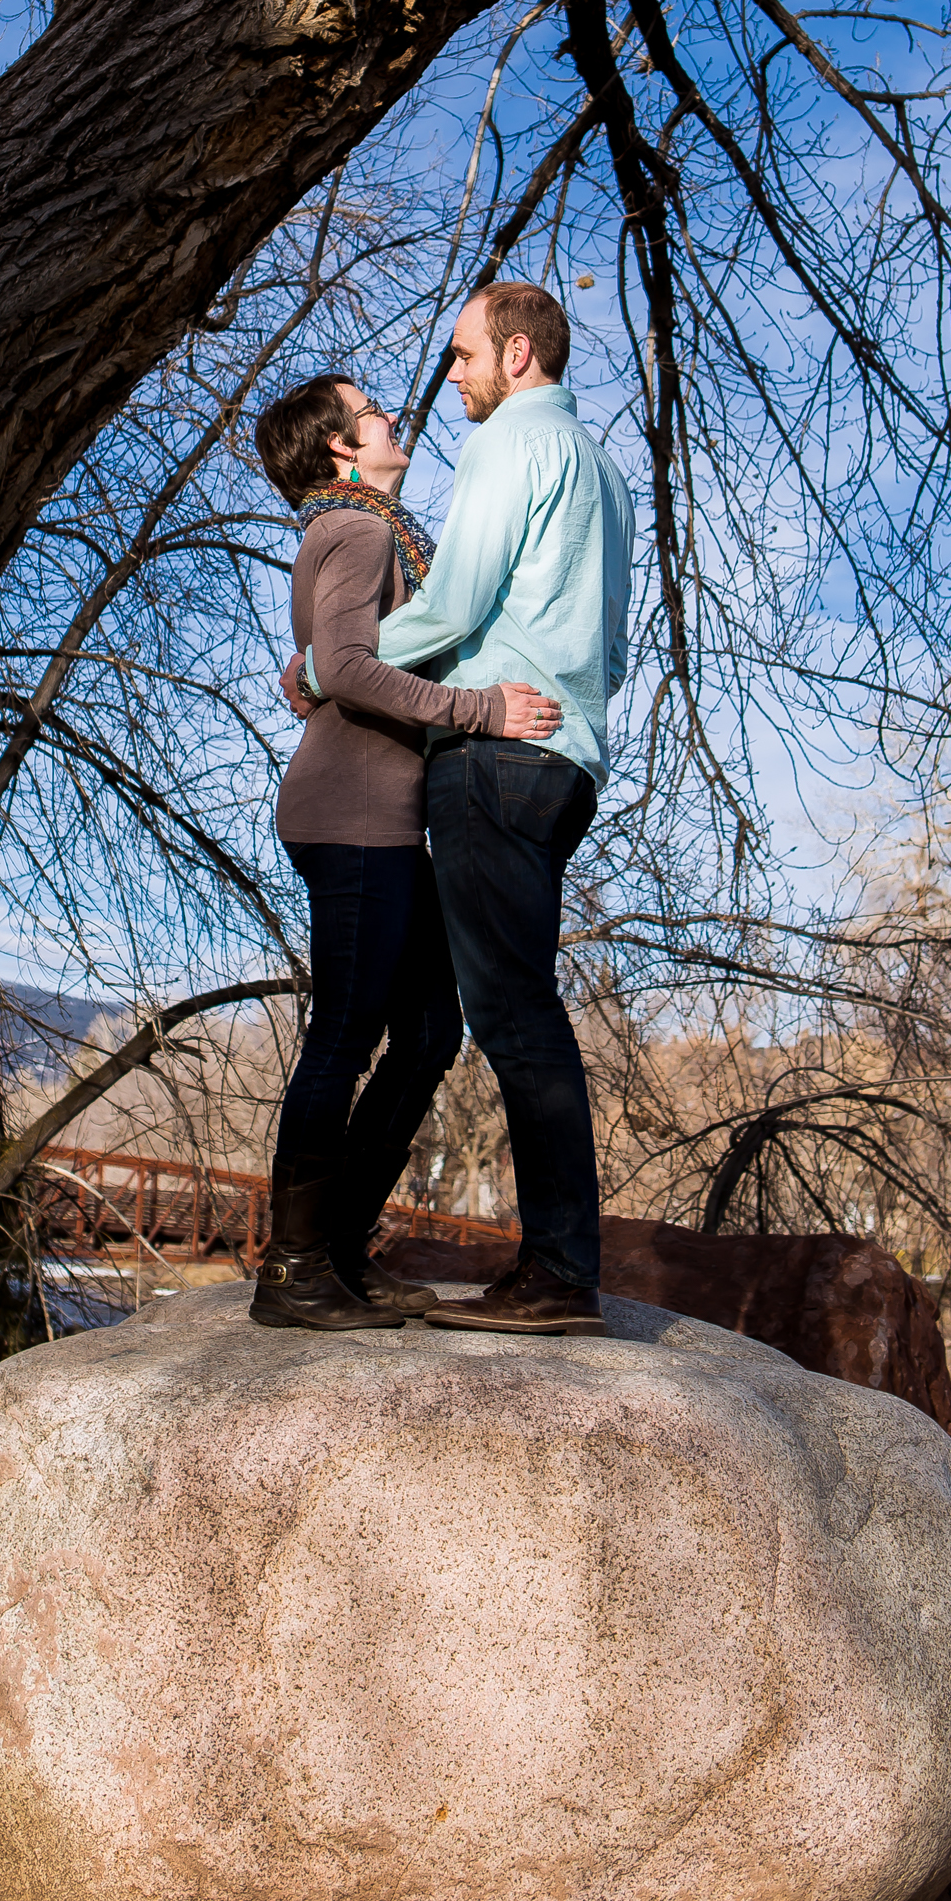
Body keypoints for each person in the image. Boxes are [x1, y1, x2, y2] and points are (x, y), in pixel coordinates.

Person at [293, 283, 634, 1335]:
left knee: (511, 1014)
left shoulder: (506, 449)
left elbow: (452, 604)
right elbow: (608, 649)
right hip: (567, 757)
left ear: (517, 353)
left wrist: (321, 664)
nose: (448, 377)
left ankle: (557, 1272)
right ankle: (346, 1249)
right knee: (451, 1017)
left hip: (493, 760)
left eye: (461, 354)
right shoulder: (606, 473)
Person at [251, 370, 563, 1333]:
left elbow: (324, 661)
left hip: (379, 818)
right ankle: (296, 1271)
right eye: (373, 410)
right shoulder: (359, 529)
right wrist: (480, 710)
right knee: (346, 1035)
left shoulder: (360, 531)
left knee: (430, 1029)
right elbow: (343, 668)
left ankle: (338, 1251)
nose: (395, 416)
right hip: (350, 819)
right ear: (344, 447)